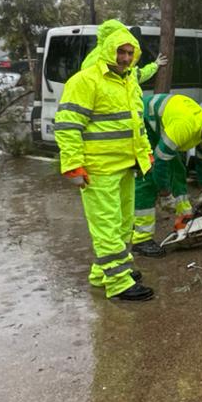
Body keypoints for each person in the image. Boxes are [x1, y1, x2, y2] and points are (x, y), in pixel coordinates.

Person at [53, 20, 156, 304]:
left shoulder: (128, 81)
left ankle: (104, 272)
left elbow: (137, 124)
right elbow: (67, 125)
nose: (124, 58)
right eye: (120, 52)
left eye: (129, 53)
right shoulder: (86, 81)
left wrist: (145, 152)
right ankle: (119, 282)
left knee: (123, 224)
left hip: (125, 166)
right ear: (108, 50)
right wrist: (72, 164)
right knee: (107, 227)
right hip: (99, 170)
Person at [131, 93, 202, 257]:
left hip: (164, 123)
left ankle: (184, 216)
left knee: (178, 168)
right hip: (144, 120)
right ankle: (141, 240)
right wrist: (165, 194)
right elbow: (160, 161)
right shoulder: (185, 127)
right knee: (149, 175)